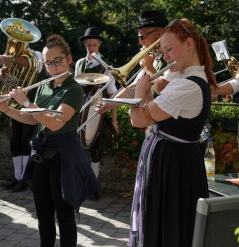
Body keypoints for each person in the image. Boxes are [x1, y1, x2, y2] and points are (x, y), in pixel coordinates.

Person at [0, 34, 100, 246]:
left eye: (57, 61)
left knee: (64, 216)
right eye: (47, 63)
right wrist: (7, 109)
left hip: (63, 156)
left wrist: (25, 102)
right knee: (43, 216)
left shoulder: (74, 90)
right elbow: (31, 118)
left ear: (69, 59)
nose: (52, 67)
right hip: (42, 156)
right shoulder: (44, 86)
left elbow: (55, 123)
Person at [128, 18, 218, 247]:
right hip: (172, 163)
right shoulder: (183, 78)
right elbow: (152, 116)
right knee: (163, 226)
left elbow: (138, 119)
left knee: (170, 228)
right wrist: (146, 94)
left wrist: (139, 92)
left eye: (169, 49)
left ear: (189, 43)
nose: (165, 56)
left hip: (173, 167)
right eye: (163, 50)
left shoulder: (187, 85)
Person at [75, 27, 119, 201]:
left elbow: (113, 94)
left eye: (94, 44)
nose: (91, 48)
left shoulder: (107, 67)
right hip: (80, 112)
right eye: (88, 45)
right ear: (85, 45)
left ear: (99, 44)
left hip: (99, 112)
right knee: (78, 150)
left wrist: (114, 120)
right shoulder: (79, 63)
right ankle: (81, 184)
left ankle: (93, 186)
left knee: (95, 151)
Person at [0, 47, 43, 192]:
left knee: (25, 140)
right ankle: (17, 177)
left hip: (29, 104)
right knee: (15, 142)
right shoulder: (11, 56)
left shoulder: (36, 54)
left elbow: (34, 64)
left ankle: (25, 178)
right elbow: (1, 82)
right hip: (15, 105)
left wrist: (10, 59)